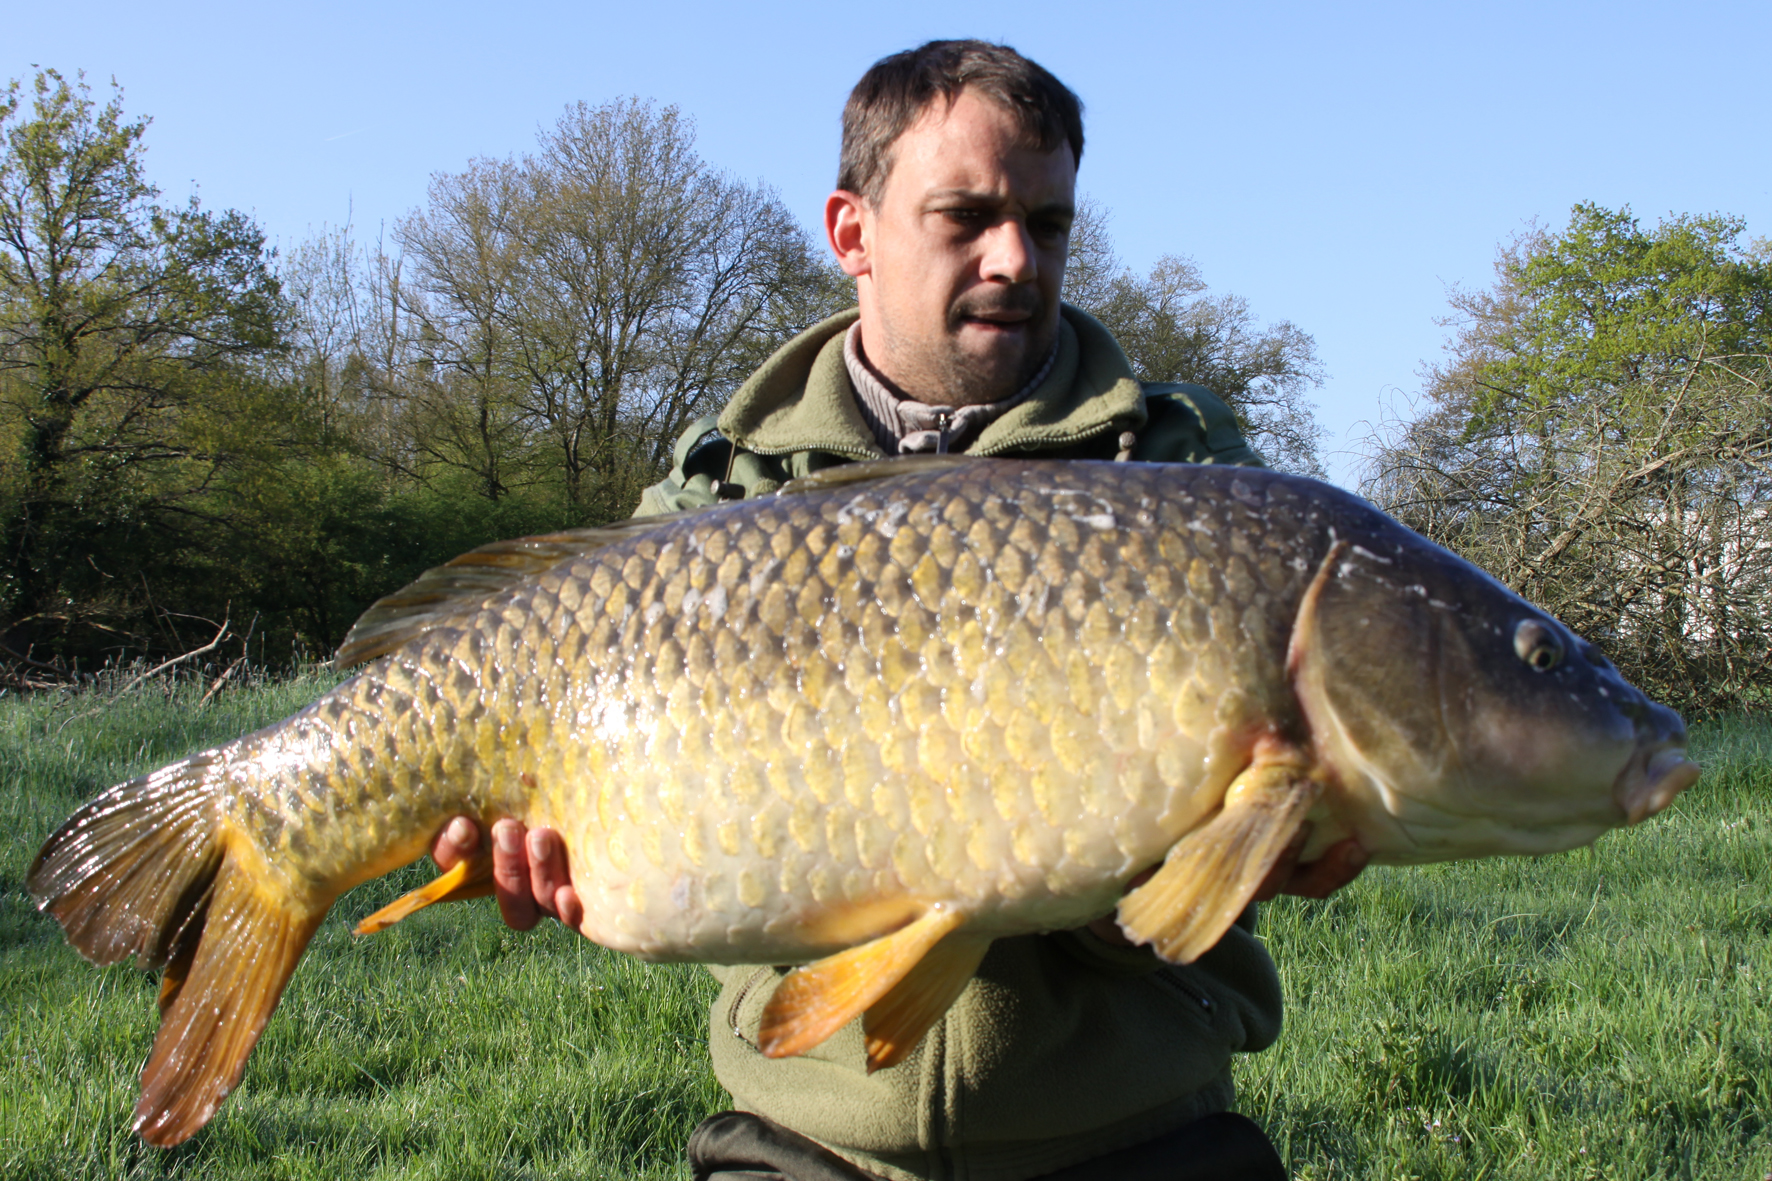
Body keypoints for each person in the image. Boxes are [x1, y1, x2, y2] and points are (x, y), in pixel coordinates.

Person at [430, 40, 1367, 1181]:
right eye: (964, 215)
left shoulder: (1181, 470)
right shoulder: (722, 486)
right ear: (852, 234)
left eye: (1049, 222)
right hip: (807, 1138)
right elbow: (602, 818)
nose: (1015, 258)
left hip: (1138, 1135)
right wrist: (521, 849)